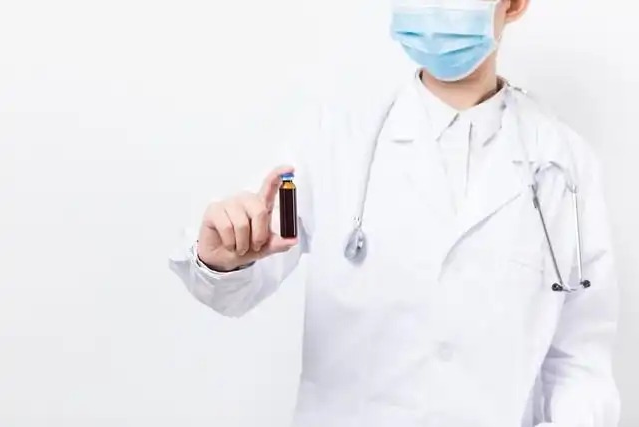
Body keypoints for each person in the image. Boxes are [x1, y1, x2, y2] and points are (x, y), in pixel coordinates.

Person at [169, 0, 621, 426]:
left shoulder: (564, 165)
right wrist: (221, 260)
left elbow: (579, 359)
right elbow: (232, 291)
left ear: (515, 4)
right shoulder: (334, 140)